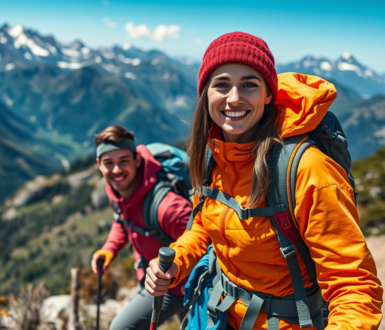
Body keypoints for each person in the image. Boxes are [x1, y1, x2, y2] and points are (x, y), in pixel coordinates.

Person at [145, 32, 383, 330]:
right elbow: (203, 227)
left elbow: (353, 286)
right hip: (217, 313)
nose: (234, 98)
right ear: (206, 93)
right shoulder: (211, 155)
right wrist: (177, 262)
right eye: (221, 84)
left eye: (249, 85)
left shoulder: (306, 169)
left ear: (268, 94)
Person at [91, 125, 192, 330]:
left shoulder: (168, 207)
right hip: (156, 277)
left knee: (121, 327)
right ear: (98, 164)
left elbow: (203, 242)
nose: (117, 170)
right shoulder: (119, 189)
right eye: (108, 163)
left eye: (124, 161)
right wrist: (109, 248)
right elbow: (122, 218)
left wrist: (177, 276)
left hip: (174, 284)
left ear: (137, 160)